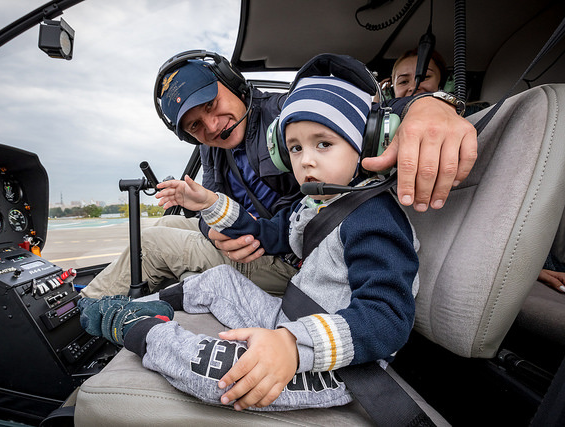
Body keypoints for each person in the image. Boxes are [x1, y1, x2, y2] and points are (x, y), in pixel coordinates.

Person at [78, 72, 419, 412]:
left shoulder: (374, 218)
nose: (306, 160)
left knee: (223, 375)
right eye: (295, 149)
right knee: (220, 280)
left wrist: (292, 345)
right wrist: (212, 206)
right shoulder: (314, 203)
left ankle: (139, 329)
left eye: (324, 144)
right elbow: (267, 234)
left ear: (370, 141)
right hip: (293, 316)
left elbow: (388, 317)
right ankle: (150, 304)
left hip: (336, 359)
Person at [81, 50, 476, 298]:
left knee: (151, 247)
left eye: (212, 104)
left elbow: (366, 119)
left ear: (233, 83)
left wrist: (429, 104)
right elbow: (215, 206)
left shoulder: (289, 114)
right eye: (196, 126)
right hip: (258, 236)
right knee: (159, 229)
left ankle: (79, 314)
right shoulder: (212, 149)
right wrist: (211, 228)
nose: (213, 125)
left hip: (291, 253)